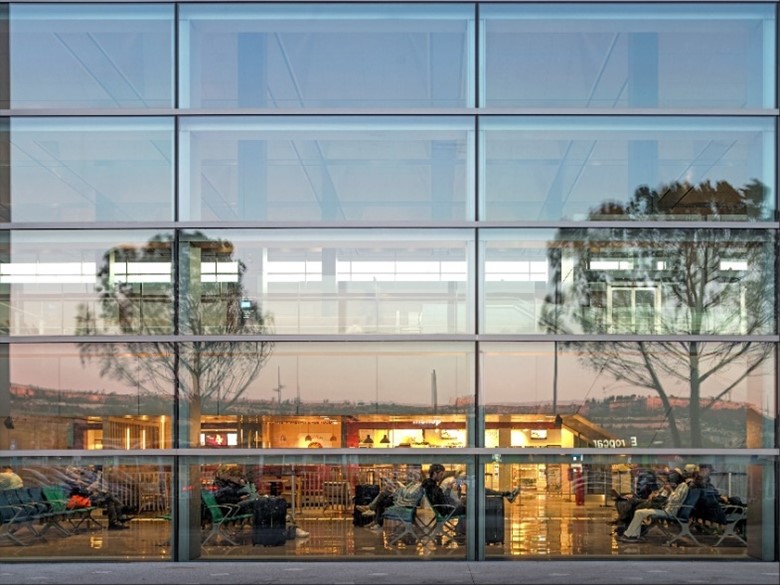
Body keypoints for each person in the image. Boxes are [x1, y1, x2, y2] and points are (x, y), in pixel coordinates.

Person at [617, 478, 690, 542]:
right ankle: (634, 535)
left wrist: (670, 490)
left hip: (669, 512)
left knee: (639, 512)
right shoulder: (678, 486)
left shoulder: (683, 486)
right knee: (639, 512)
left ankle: (628, 535)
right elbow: (669, 499)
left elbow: (675, 499)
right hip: (664, 509)